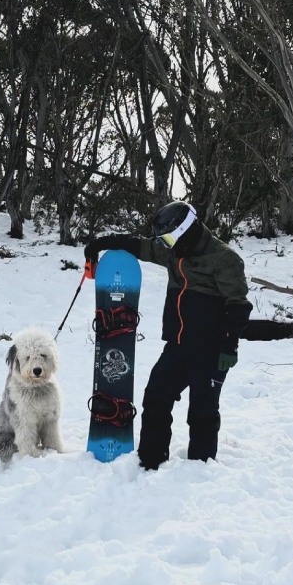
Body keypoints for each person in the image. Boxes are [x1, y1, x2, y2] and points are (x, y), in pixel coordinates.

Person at [84, 201, 252, 469]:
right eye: (164, 239)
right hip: (177, 345)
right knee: (155, 398)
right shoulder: (173, 251)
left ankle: (201, 467)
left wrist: (228, 345)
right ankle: (150, 460)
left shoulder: (224, 259)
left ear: (188, 229)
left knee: (202, 410)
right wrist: (100, 243)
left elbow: (238, 305)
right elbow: (138, 245)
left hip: (210, 349)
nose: (166, 244)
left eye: (170, 238)